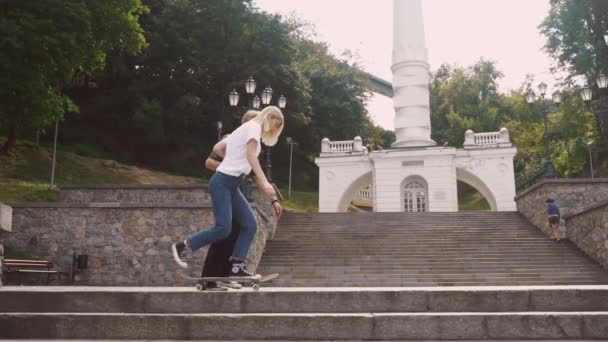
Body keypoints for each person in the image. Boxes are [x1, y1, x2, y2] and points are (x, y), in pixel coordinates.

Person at [171, 105, 284, 277]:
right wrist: (237, 163)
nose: (274, 129)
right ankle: (184, 246)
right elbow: (251, 157)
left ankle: (237, 266)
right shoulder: (253, 127)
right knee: (223, 228)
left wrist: (232, 158)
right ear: (268, 117)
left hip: (231, 185)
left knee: (250, 224)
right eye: (275, 124)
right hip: (222, 182)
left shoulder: (242, 131)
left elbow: (217, 148)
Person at [200, 111, 282, 290]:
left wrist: (274, 200)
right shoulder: (233, 139)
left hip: (238, 193)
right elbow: (209, 162)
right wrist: (231, 167)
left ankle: (229, 275)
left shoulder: (252, 146)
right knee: (223, 235)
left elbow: (258, 177)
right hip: (226, 188)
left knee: (238, 233)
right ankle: (209, 277)